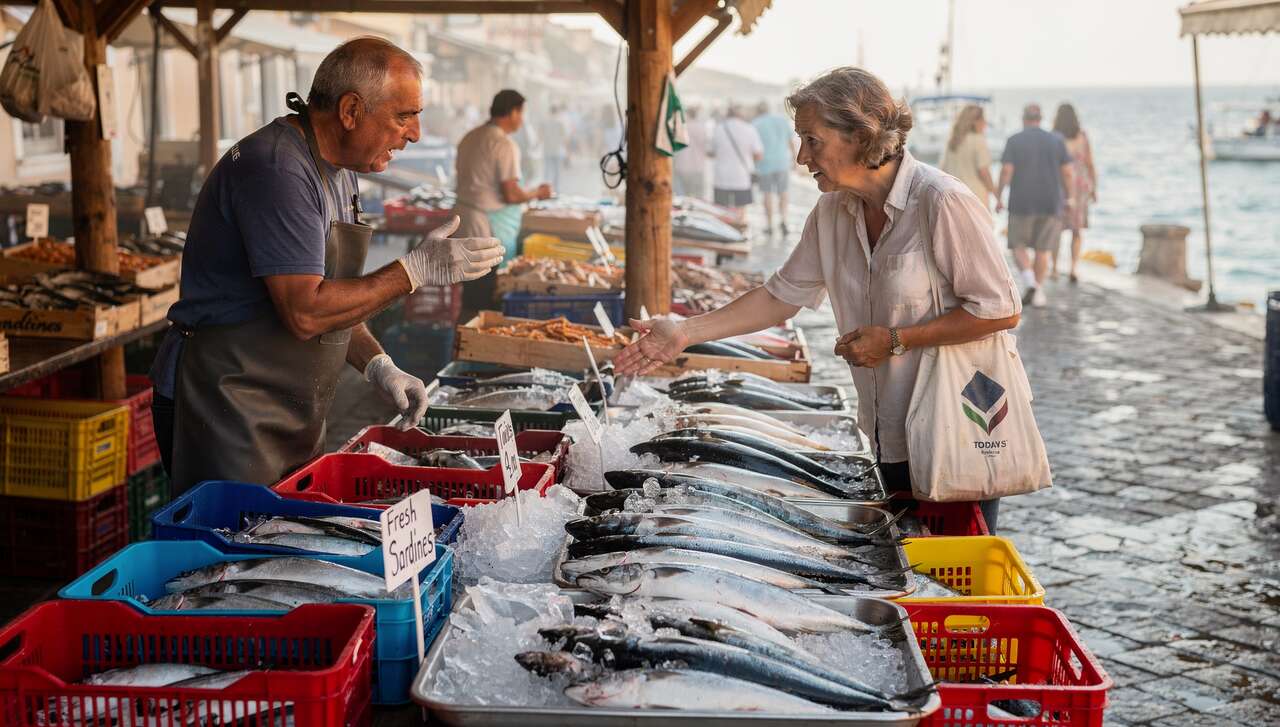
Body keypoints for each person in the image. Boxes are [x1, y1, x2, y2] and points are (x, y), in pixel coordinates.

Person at [613, 67, 1022, 530]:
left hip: (955, 433)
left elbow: (1000, 310)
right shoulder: (832, 212)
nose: (801, 157)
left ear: (861, 135)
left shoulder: (941, 201)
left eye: (813, 141)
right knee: (906, 568)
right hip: (887, 435)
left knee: (952, 579)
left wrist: (896, 339)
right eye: (800, 140)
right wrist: (684, 332)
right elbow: (779, 297)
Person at [149, 37, 505, 495]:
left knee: (281, 542)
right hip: (224, 400)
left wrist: (378, 364)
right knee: (235, 556)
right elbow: (306, 311)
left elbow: (334, 294)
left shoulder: (339, 169)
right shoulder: (276, 170)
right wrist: (412, 271)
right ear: (351, 110)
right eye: (403, 116)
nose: (415, 133)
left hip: (283, 404)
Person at [454, 89, 553, 318]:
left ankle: (465, 334)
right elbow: (511, 194)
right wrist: (538, 192)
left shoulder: (470, 136)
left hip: (463, 219)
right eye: (522, 113)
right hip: (484, 224)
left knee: (471, 288)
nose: (522, 119)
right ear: (513, 112)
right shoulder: (503, 144)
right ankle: (475, 339)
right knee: (486, 292)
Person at [996, 103, 1072, 308]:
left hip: (1021, 201)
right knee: (1043, 249)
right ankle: (1038, 290)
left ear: (1023, 118)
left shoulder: (1014, 140)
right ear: (1041, 118)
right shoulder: (1057, 141)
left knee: (1017, 245)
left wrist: (999, 195)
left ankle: (1030, 282)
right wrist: (1070, 198)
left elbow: (1006, 171)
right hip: (1051, 201)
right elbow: (1067, 173)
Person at [1051, 103, 1096, 283]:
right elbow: (1090, 164)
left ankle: (1054, 269)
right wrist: (1094, 188)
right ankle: (1073, 268)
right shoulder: (1083, 136)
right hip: (1081, 188)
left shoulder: (1054, 138)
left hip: (1060, 186)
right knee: (1077, 231)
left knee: (1056, 230)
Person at [709, 103, 763, 220]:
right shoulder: (749, 129)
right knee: (741, 211)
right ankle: (740, 232)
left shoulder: (718, 128)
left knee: (721, 211)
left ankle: (724, 233)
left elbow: (711, 152)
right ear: (741, 114)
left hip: (721, 177)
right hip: (741, 176)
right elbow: (759, 155)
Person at [753, 101, 797, 235]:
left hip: (764, 164)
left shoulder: (756, 123)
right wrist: (794, 159)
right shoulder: (782, 120)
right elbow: (791, 141)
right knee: (783, 192)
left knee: (767, 194)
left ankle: (769, 225)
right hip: (782, 162)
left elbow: (754, 148)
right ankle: (784, 220)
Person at [939, 104, 996, 210]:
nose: (985, 123)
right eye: (983, 119)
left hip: (953, 198)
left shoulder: (952, 142)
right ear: (975, 122)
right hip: (975, 198)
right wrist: (997, 195)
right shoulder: (978, 140)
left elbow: (942, 171)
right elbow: (984, 172)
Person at [673, 105, 710, 199]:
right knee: (698, 198)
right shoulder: (702, 128)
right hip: (697, 168)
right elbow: (708, 148)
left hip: (681, 167)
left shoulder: (680, 127)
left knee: (682, 198)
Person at [540, 104, 570, 190]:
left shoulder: (544, 123)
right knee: (557, 172)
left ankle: (545, 189)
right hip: (557, 150)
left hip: (547, 150)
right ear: (557, 112)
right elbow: (564, 138)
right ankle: (556, 190)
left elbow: (540, 136)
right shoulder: (560, 123)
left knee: (547, 171)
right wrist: (567, 151)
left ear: (549, 112)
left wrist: (536, 147)